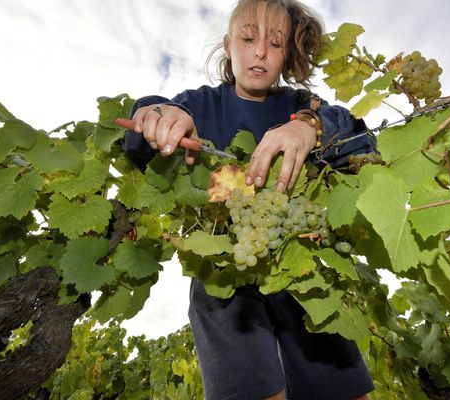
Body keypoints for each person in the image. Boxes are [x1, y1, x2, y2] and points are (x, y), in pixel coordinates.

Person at [123, 1, 377, 399]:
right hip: (225, 268)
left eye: (275, 44)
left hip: (298, 261)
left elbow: (361, 142)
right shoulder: (202, 104)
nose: (260, 51)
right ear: (228, 45)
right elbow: (141, 138)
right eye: (248, 38)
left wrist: (310, 128)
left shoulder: (298, 107)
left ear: (286, 54)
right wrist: (159, 115)